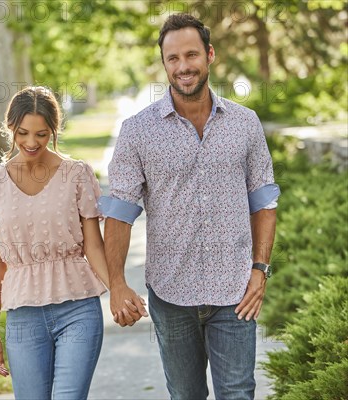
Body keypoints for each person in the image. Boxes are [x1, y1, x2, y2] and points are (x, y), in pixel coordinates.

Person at [99, 13, 280, 400]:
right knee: (185, 395)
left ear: (210, 55)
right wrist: (116, 283)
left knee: (238, 394)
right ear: (164, 63)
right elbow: (119, 212)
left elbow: (264, 202)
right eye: (173, 58)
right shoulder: (138, 131)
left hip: (235, 292)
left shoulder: (245, 124)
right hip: (171, 292)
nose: (183, 67)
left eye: (191, 55)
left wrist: (260, 270)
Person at [0, 86, 124, 399]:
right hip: (23, 316)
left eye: (42, 134)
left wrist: (116, 291)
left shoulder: (76, 174)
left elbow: (93, 246)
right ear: (10, 127)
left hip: (78, 309)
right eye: (23, 133)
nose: (31, 143)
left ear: (53, 130)